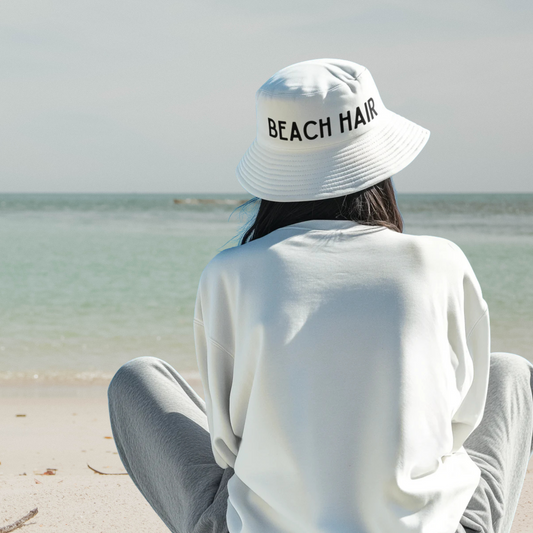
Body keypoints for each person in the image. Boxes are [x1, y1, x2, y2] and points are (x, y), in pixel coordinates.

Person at [107, 59, 533, 533]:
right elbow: (460, 423)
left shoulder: (229, 274)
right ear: (377, 163)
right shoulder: (439, 262)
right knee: (510, 371)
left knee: (136, 378)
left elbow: (228, 447)